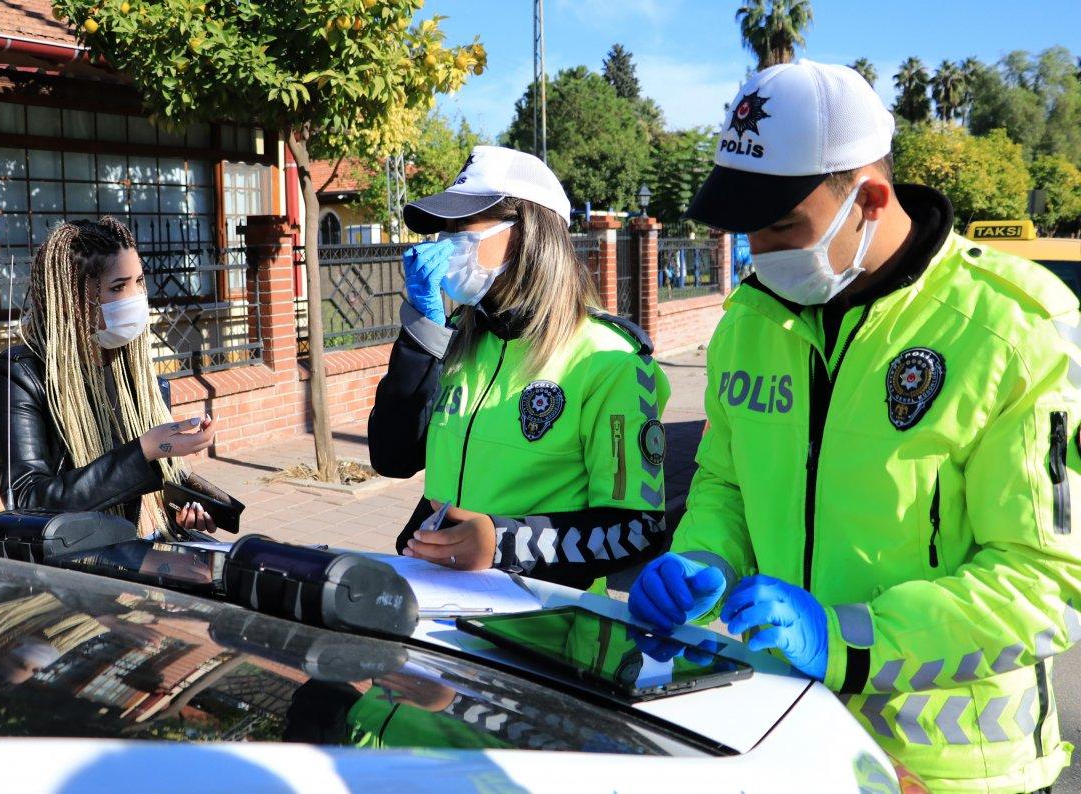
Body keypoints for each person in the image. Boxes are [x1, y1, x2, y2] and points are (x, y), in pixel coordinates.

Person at [628, 60, 1080, 792]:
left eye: (780, 226)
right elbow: (724, 483)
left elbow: (1047, 584)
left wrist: (844, 639)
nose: (759, 253)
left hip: (951, 772)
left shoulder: (1012, 328)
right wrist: (704, 559)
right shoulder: (750, 321)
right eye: (748, 230)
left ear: (870, 197)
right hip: (782, 739)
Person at [369, 145, 672, 590]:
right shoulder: (456, 336)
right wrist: (422, 335)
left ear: (528, 232)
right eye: (443, 229)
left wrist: (503, 544)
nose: (445, 243)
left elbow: (637, 529)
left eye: (462, 227)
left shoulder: (610, 360)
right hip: (438, 602)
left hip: (547, 627)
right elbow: (392, 458)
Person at [0, 217, 218, 537]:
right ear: (72, 298)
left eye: (138, 281)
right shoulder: (21, 377)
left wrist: (179, 510)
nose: (136, 296)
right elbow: (26, 500)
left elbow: (143, 493)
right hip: (74, 571)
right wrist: (144, 451)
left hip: (140, 558)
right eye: (117, 286)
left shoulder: (140, 378)